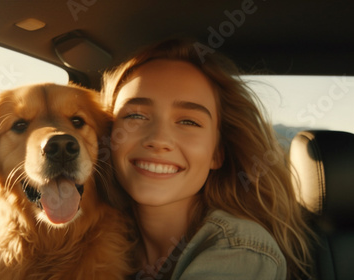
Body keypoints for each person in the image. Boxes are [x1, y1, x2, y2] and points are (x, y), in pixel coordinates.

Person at [101, 39, 313, 280]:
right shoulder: (94, 238)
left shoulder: (241, 249)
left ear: (217, 153)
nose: (159, 139)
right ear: (107, 136)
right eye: (136, 115)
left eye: (188, 121)